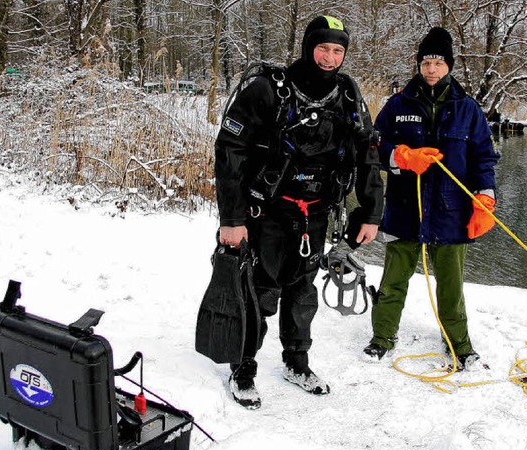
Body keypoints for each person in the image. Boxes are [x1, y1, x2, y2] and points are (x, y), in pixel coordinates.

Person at [214, 15, 383, 409]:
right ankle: (243, 366)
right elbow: (230, 153)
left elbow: (368, 155)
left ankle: (297, 361)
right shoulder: (267, 89)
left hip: (316, 213)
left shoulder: (347, 94)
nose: (329, 58)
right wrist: (231, 219)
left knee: (303, 291)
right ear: (308, 47)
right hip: (266, 212)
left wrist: (372, 212)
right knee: (259, 290)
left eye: (337, 50)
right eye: (322, 48)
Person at [362, 27, 500, 370]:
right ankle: (382, 337)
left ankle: (459, 343)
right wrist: (401, 156)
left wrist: (486, 197)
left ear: (449, 65)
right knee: (393, 280)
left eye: (438, 62)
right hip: (405, 209)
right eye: (426, 63)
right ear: (419, 66)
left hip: (451, 212)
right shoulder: (397, 106)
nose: (432, 70)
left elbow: (484, 157)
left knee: (451, 288)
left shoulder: (468, 109)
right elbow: (373, 148)